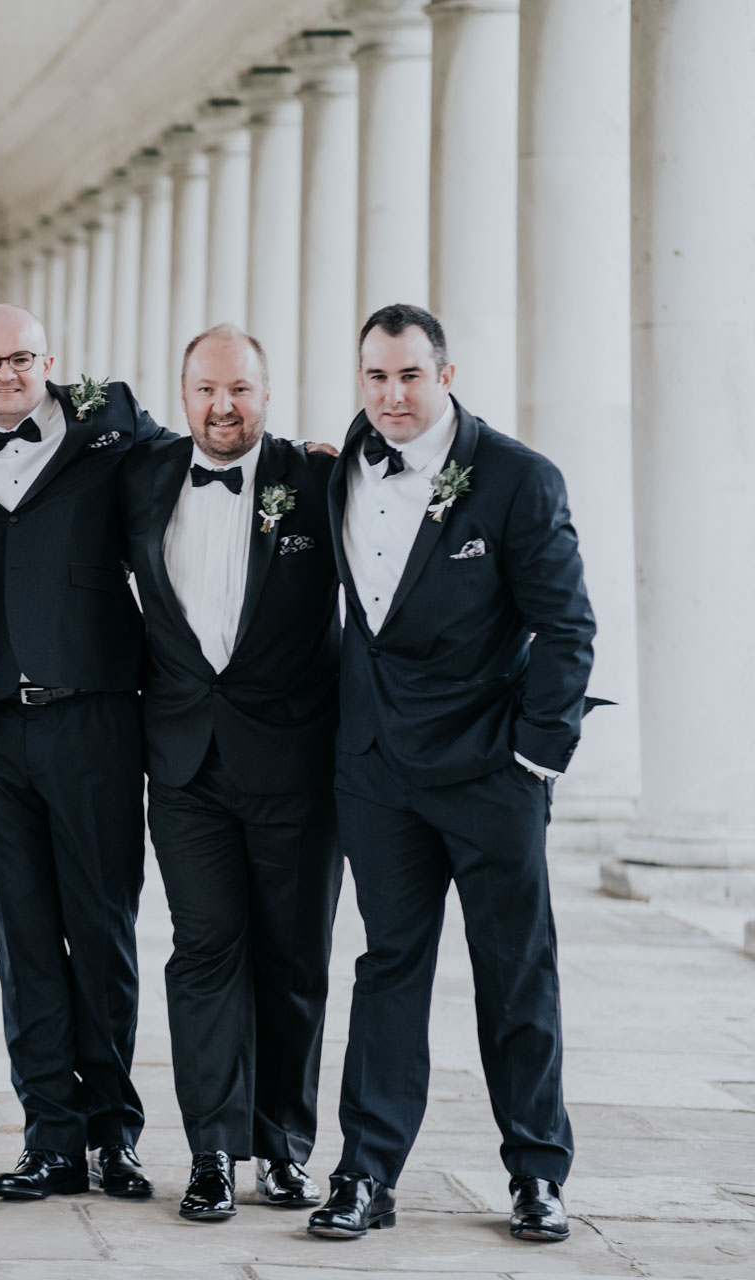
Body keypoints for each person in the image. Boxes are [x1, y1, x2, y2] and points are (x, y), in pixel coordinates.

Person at [309, 304, 595, 1244]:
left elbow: (567, 629)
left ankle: (538, 1174)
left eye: (410, 377)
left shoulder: (517, 478)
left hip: (489, 774)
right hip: (377, 774)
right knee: (389, 968)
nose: (392, 396)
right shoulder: (334, 470)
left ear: (447, 374)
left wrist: (535, 756)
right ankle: (365, 1173)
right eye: (376, 377)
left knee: (514, 974)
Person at [0, 304, 163, 1204]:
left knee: (102, 929)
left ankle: (115, 1133)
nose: (3, 374)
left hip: (95, 718)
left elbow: (211, 445)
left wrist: (310, 465)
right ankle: (50, 1139)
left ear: (50, 361)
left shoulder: (112, 424)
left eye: (20, 358)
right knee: (24, 935)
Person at [121, 324, 341, 1221]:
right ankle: (213, 1149)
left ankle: (283, 1149)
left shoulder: (321, 480)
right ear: (182, 396)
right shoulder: (141, 474)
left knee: (293, 959)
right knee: (205, 952)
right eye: (207, 390)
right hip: (183, 763)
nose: (224, 407)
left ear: (267, 392)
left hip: (297, 764)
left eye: (240, 390)